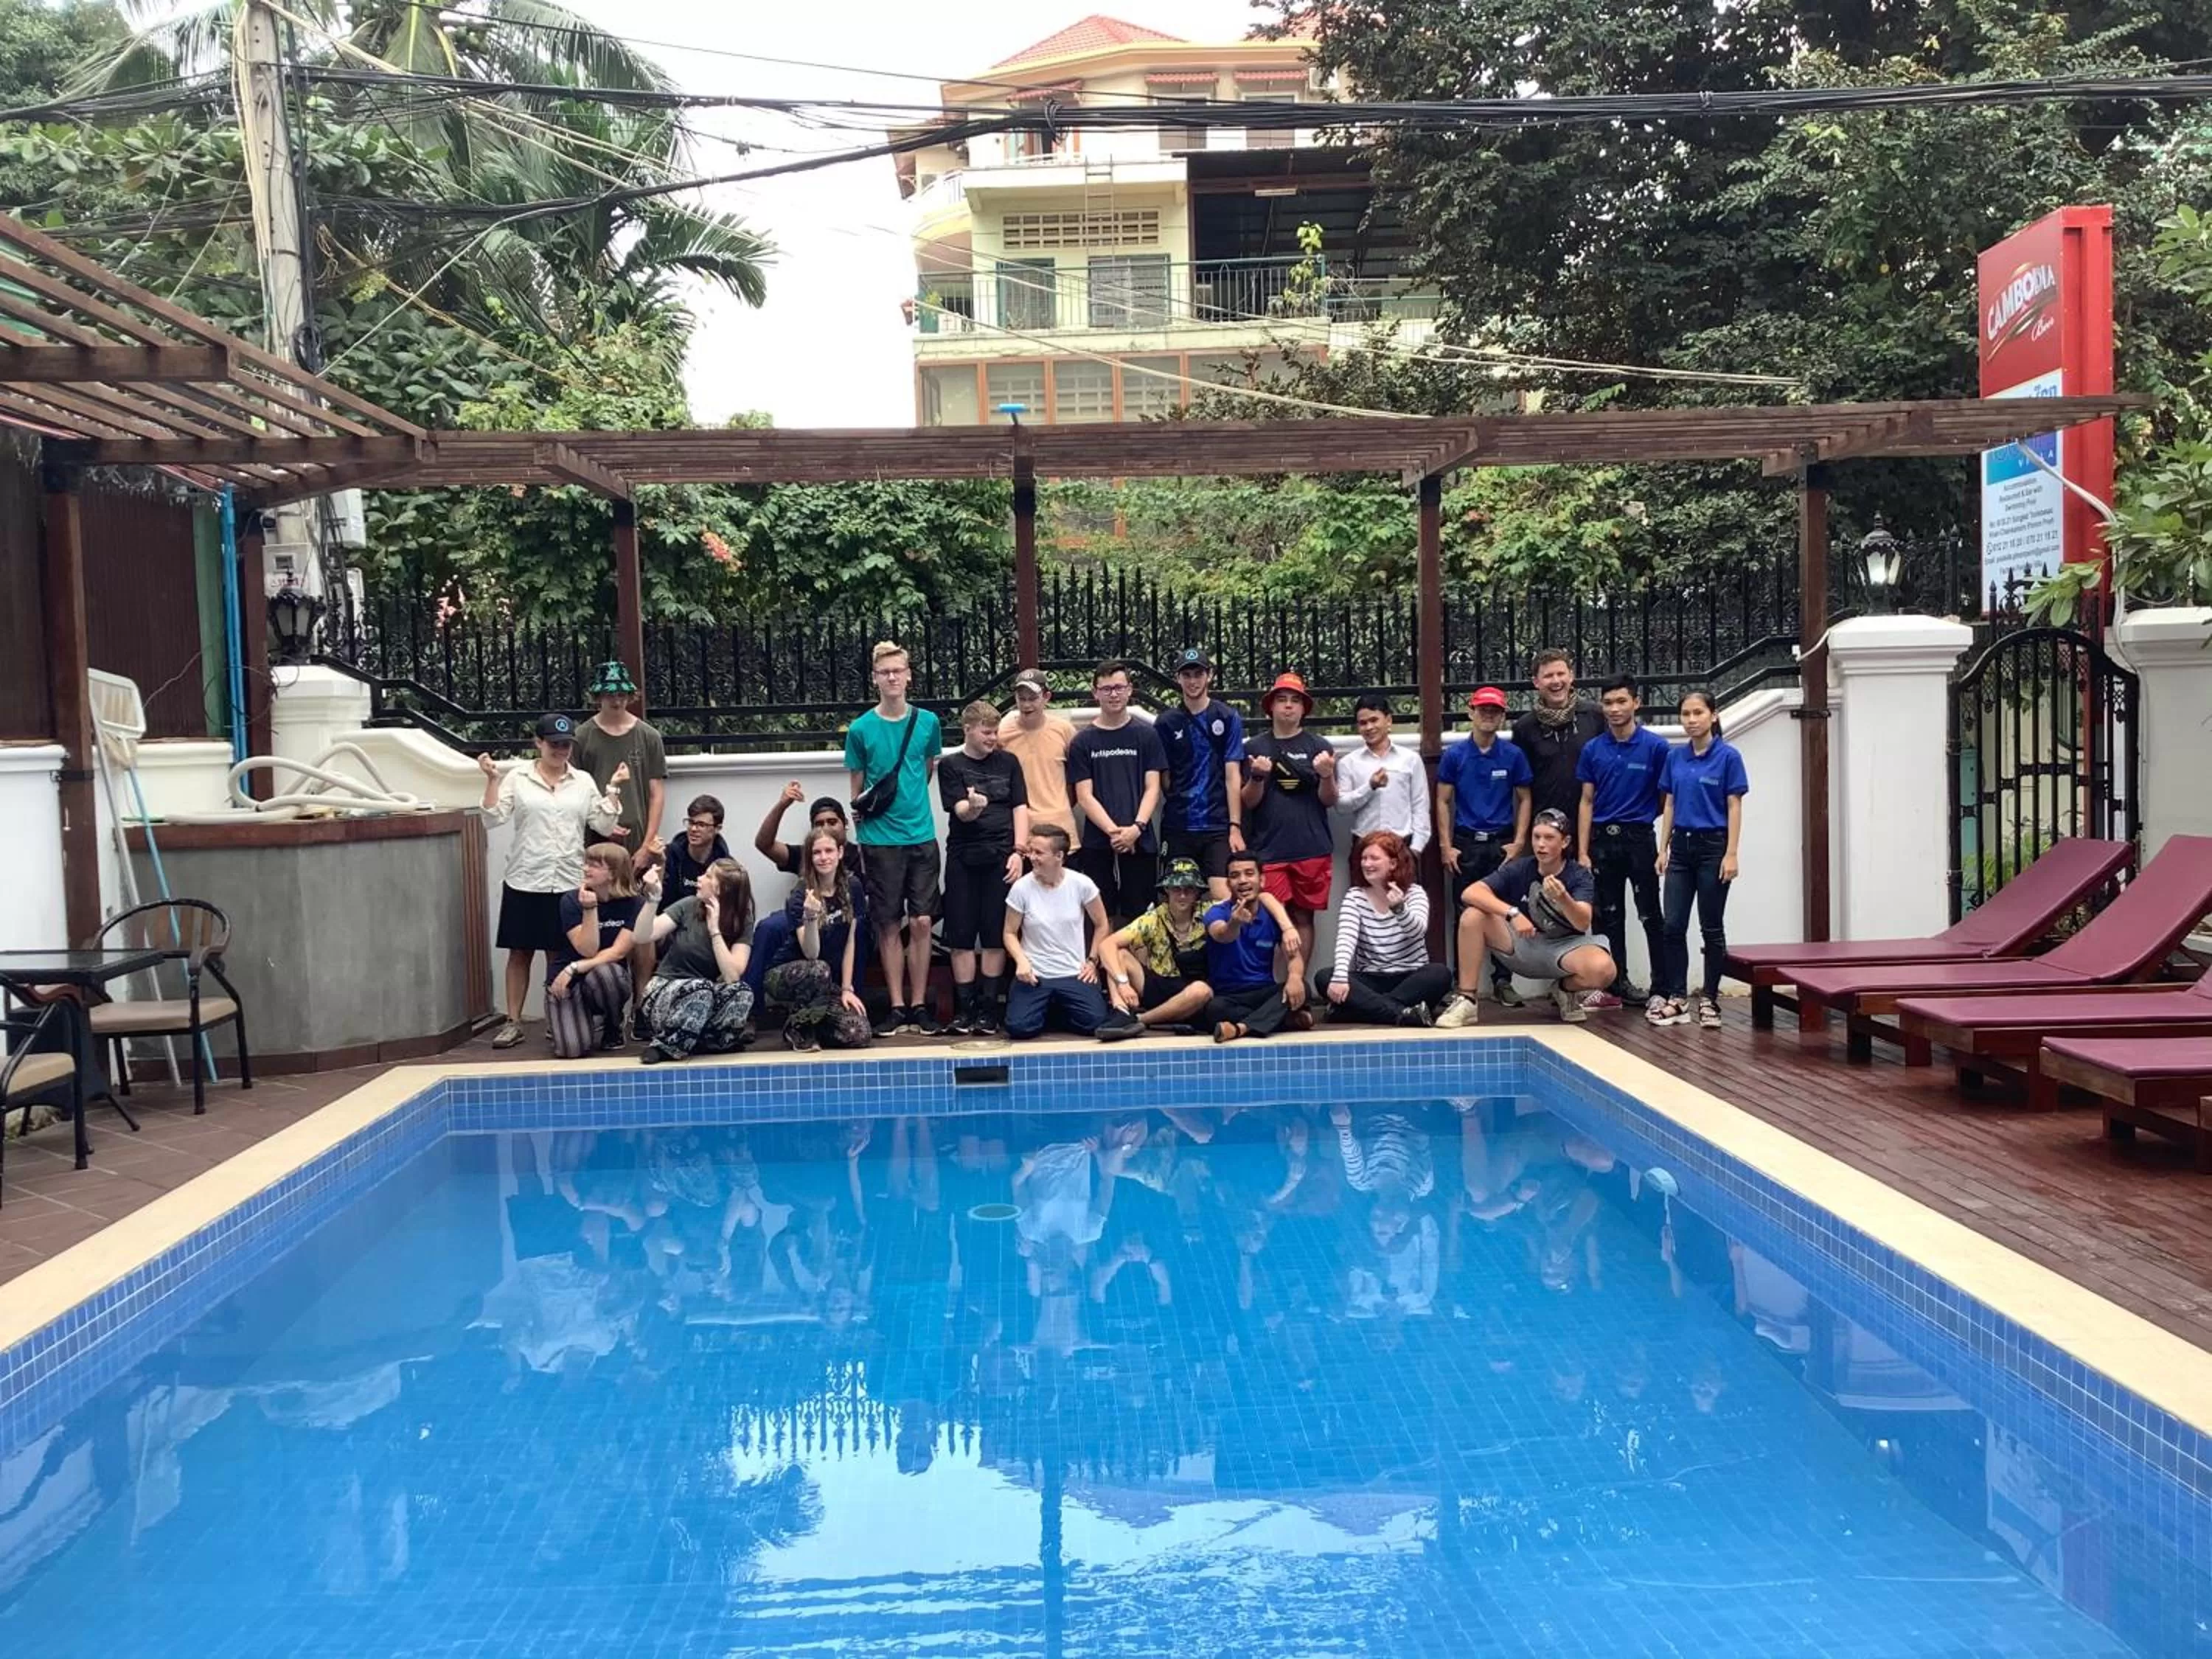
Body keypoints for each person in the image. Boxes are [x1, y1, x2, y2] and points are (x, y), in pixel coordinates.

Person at [479, 713, 621, 1048]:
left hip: (568, 879)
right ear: (538, 743)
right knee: (520, 951)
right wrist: (491, 780)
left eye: (566, 744)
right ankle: (513, 1022)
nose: (561, 750)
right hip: (526, 877)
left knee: (558, 952)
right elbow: (492, 817)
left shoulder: (583, 781)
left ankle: (554, 1016)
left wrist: (615, 788)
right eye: (554, 744)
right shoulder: (519, 778)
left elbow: (602, 823)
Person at [844, 641, 944, 1037]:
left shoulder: (928, 722)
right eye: (884, 672)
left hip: (920, 833)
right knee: (888, 922)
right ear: (875, 679)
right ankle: (897, 1006)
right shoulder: (860, 729)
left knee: (921, 920)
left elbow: (927, 769)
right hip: (879, 839)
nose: (891, 678)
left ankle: (919, 1005)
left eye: (897, 671)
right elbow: (857, 788)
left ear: (908, 675)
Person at [1436, 809, 1616, 1026]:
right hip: (1522, 945)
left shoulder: (1578, 874)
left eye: (1549, 838)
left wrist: (1563, 898)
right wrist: (1512, 914)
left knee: (1604, 969)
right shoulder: (1521, 868)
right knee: (1472, 916)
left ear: (1565, 842)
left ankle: (1564, 991)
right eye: (1536, 837)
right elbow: (1470, 893)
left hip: (1564, 949)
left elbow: (1583, 922)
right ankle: (1467, 999)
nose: (1541, 844)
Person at [1649, 689, 1749, 1030]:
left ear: (1713, 715)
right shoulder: (1676, 758)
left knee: (1711, 926)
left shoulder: (1728, 757)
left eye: (1698, 713)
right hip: (1682, 849)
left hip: (1713, 848)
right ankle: (1677, 998)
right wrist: (1663, 848)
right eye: (1686, 714)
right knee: (1673, 925)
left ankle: (1710, 998)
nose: (1692, 720)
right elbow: (1670, 804)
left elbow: (1734, 805)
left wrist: (1731, 853)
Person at [1575, 673, 1671, 1008]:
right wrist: (1584, 851)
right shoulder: (1593, 749)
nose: (1614, 709)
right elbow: (1586, 801)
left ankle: (1661, 986)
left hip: (1639, 840)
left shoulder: (1656, 747)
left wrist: (1641, 821)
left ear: (1636, 703)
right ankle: (1616, 985)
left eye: (1621, 701)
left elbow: (1665, 798)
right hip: (1602, 842)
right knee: (1609, 916)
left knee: (1650, 914)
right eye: (1608, 703)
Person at [1436, 686, 1535, 1006]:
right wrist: (1446, 845)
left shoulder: (1513, 756)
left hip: (1501, 845)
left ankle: (1503, 981)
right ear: (1471, 712)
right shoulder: (1455, 755)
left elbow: (1524, 799)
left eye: (1495, 711)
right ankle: (1461, 985)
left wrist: (1519, 842)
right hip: (1466, 844)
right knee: (1464, 914)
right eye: (1483, 710)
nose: (1488, 716)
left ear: (1502, 716)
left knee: (1504, 912)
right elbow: (1442, 800)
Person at [939, 699, 1029, 1035]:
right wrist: (973, 807)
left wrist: (1019, 851)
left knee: (994, 934)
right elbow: (959, 809)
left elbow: (1021, 807)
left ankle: (989, 1010)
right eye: (986, 732)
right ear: (968, 730)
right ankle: (966, 1009)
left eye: (995, 732)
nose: (992, 738)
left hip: (1002, 856)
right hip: (964, 857)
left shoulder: (1009, 762)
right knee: (961, 936)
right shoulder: (951, 766)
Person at [1242, 670, 1338, 966]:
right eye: (1281, 700)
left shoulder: (1320, 747)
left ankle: (1297, 987)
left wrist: (1326, 775)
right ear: (1270, 706)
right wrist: (1258, 776)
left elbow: (1330, 800)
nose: (1287, 706)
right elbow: (1248, 801)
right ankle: (1271, 989)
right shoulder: (1254, 748)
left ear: (1303, 708)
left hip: (1312, 847)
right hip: (1269, 848)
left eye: (1294, 701)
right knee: (1269, 917)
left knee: (1303, 917)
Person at [1068, 658, 1167, 925]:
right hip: (1098, 841)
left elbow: (1153, 787)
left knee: (1142, 914)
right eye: (1107, 688)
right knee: (1102, 913)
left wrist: (1136, 828)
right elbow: (1084, 796)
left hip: (1140, 838)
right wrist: (1114, 832)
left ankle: (1136, 968)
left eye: (1119, 687)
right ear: (1095, 693)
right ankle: (1106, 966)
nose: (1114, 694)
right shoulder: (1082, 742)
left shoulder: (1147, 735)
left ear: (1130, 690)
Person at [1317, 830, 1451, 1026]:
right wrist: (1339, 976)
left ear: (1393, 863)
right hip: (1370, 980)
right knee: (1325, 977)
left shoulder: (1415, 893)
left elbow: (1417, 933)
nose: (1366, 864)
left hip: (1410, 978)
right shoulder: (1355, 896)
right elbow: (1346, 939)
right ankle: (1402, 1014)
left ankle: (1357, 1011)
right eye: (1364, 858)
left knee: (1440, 974)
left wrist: (1399, 910)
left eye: (1374, 858)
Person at [745, 787, 866, 1006]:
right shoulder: (807, 854)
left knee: (862, 928)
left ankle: (851, 997)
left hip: (843, 919)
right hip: (806, 915)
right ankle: (751, 1008)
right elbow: (764, 844)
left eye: (832, 821)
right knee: (769, 927)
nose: (826, 827)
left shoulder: (859, 855)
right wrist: (782, 804)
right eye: (819, 824)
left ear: (845, 824)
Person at [638, 858, 755, 1064]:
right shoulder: (688, 906)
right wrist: (652, 900)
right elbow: (641, 937)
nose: (700, 878)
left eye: (708, 876)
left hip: (704, 995)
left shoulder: (742, 919)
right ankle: (665, 1046)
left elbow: (731, 976)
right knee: (700, 989)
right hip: (664, 992)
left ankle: (710, 1043)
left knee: (742, 992)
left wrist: (715, 932)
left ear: (722, 889)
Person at [1001, 825, 1113, 1038]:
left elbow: (1102, 924)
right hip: (1036, 975)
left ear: (1059, 856)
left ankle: (1054, 1009)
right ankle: (1047, 1006)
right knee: (1019, 1027)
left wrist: (1092, 961)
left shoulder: (1082, 884)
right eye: (1031, 851)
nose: (1032, 857)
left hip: (1073, 972)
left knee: (1095, 1022)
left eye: (1039, 853)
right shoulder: (1021, 888)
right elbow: (1009, 932)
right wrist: (1021, 961)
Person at [765, 827, 871, 1050]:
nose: (823, 858)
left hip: (826, 983)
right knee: (818, 968)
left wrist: (846, 989)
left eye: (829, 851)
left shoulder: (853, 887)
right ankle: (800, 1027)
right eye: (817, 853)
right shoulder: (801, 894)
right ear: (810, 858)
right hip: (786, 974)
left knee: (858, 1033)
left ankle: (818, 1022)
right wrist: (810, 917)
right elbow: (810, 953)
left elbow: (850, 941)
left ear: (840, 853)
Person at [1154, 647, 1247, 900]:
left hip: (1217, 825)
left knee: (1224, 899)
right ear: (1178, 678)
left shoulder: (1227, 717)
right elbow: (1163, 776)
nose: (1193, 681)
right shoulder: (1166, 722)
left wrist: (1235, 826)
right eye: (1187, 675)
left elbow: (1232, 774)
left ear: (1210, 676)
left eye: (1198, 674)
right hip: (1178, 825)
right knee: (1179, 900)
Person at [546, 841, 653, 1058]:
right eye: (585, 864)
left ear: (613, 873)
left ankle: (613, 1024)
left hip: (601, 975)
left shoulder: (635, 904)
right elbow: (587, 948)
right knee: (572, 1050)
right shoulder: (570, 900)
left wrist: (576, 967)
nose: (585, 869)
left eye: (594, 865)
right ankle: (583, 1019)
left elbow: (619, 952)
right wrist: (590, 909)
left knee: (606, 974)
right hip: (567, 983)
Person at [1096, 858, 1216, 1038]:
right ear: (1167, 889)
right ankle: (1121, 1012)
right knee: (1118, 954)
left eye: (1189, 889)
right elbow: (1106, 945)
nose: (1182, 895)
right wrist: (1123, 983)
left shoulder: (1210, 912)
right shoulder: (1153, 917)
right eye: (1177, 889)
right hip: (1157, 984)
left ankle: (1140, 1020)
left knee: (1202, 990)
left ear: (1198, 891)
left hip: (1192, 990)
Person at [1203, 850, 1307, 1043]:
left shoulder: (1272, 914)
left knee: (1302, 987)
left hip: (1264, 992)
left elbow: (1294, 956)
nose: (1242, 881)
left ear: (1263, 880)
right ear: (1228, 884)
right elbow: (1222, 935)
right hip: (1230, 996)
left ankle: (1240, 1029)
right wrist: (1234, 922)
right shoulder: (1216, 912)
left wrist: (1294, 977)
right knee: (1214, 1010)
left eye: (1249, 874)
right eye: (1235, 876)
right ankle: (1281, 1020)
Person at [568, 661, 667, 853]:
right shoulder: (582, 736)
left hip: (638, 836)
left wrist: (647, 846)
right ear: (599, 697)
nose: (617, 701)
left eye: (622, 695)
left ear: (630, 697)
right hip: (595, 836)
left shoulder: (649, 737)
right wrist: (602, 824)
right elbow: (574, 791)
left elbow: (657, 794)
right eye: (610, 695)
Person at [1511, 648, 1605, 826]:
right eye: (1548, 676)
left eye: (1561, 674)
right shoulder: (1524, 728)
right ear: (1536, 682)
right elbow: (1521, 786)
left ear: (1571, 676)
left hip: (1593, 821)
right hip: (1546, 824)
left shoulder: (1596, 716)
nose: (1556, 681)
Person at [1331, 693, 1430, 857]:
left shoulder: (1410, 759)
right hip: (1364, 844)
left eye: (1374, 720)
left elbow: (1420, 806)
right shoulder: (1348, 763)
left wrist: (1416, 848)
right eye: (1363, 723)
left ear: (1388, 720)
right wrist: (1370, 787)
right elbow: (1341, 806)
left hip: (1401, 844)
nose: (1369, 727)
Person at [998, 667, 1079, 841]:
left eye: (1033, 698)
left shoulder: (1064, 730)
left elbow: (1077, 779)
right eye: (1022, 699)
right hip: (1022, 833)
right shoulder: (1002, 732)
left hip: (1061, 830)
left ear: (1046, 697)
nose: (1027, 705)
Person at [661, 795, 731, 905]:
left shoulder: (726, 867)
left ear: (717, 829)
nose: (693, 829)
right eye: (691, 822)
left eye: (701, 825)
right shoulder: (669, 856)